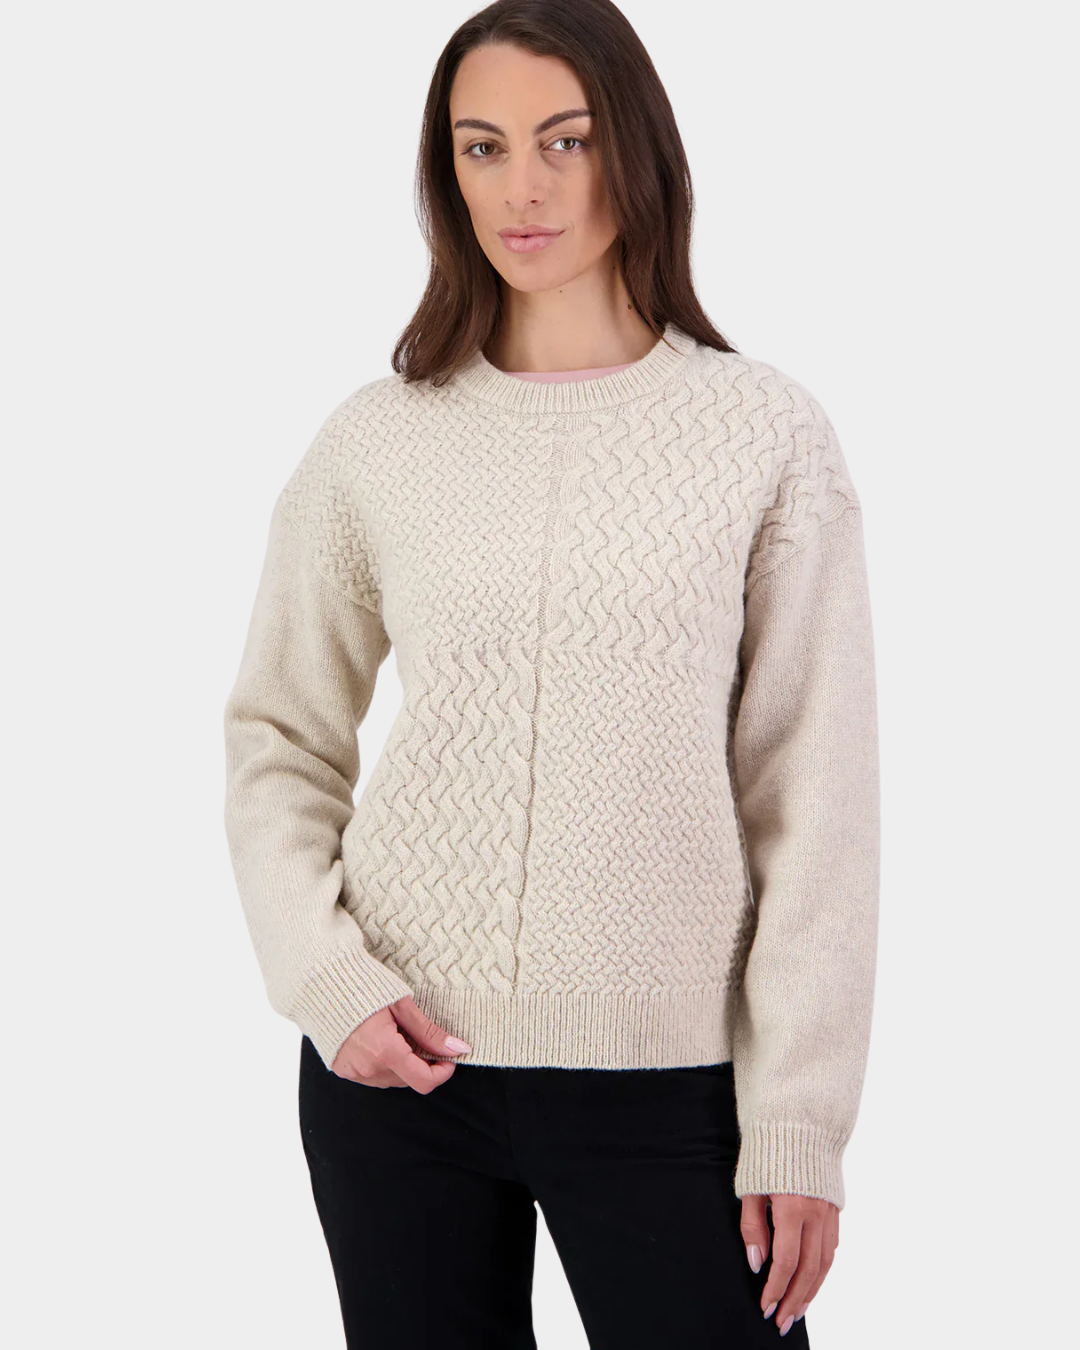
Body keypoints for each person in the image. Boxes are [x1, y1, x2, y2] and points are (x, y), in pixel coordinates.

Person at [222, 1, 879, 1345]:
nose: (521, 186)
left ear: (634, 150)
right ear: (447, 174)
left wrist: (800, 1119)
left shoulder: (764, 433)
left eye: (563, 141)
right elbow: (280, 735)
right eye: (483, 147)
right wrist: (327, 980)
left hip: (672, 1083)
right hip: (396, 1068)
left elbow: (815, 800)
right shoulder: (377, 440)